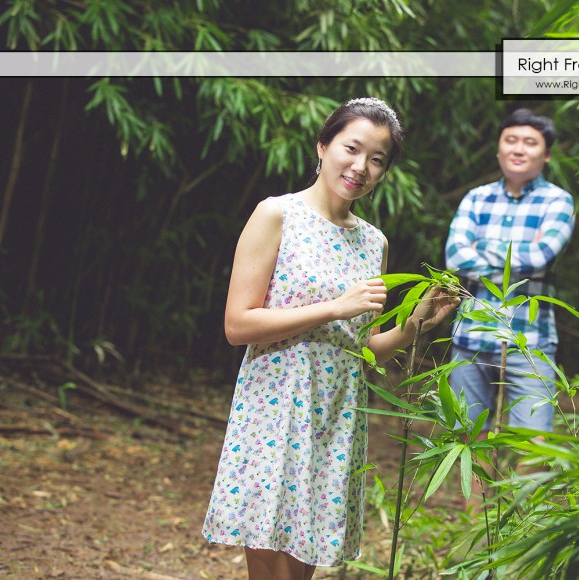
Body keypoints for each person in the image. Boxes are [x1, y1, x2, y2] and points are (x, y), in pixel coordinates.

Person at [202, 97, 458, 580]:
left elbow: (363, 349)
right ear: (323, 146)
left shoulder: (373, 241)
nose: (360, 167)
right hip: (276, 405)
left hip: (336, 411)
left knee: (302, 567)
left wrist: (415, 324)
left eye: (377, 159)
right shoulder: (276, 214)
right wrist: (335, 307)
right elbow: (237, 325)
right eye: (352, 148)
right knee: (267, 555)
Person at [445, 108, 575, 446]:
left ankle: (522, 502)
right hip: (470, 336)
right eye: (511, 140)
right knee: (468, 439)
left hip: (530, 341)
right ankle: (477, 503)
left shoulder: (558, 201)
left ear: (546, 154)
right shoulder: (476, 198)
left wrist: (482, 247)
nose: (519, 149)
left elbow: (540, 258)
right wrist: (513, 256)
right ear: (499, 148)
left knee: (532, 440)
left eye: (530, 143)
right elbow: (455, 257)